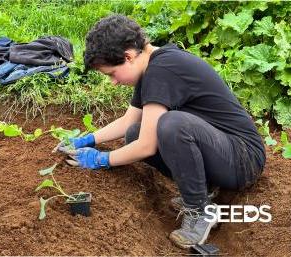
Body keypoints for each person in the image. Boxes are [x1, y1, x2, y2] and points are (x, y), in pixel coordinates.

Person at [53, 14, 266, 249]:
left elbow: (147, 146)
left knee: (171, 125)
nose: (112, 82)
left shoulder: (162, 69)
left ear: (128, 56)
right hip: (223, 152)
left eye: (111, 74)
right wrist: (88, 139)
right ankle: (202, 192)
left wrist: (101, 159)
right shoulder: (150, 68)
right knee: (135, 132)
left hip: (244, 158)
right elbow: (128, 122)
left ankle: (199, 210)